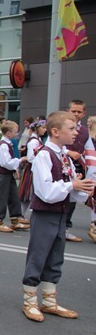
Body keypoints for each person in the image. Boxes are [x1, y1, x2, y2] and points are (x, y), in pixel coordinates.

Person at [21, 111, 95, 322]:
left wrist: (82, 187)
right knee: (38, 256)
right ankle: (29, 301)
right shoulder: (44, 155)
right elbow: (46, 192)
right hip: (45, 214)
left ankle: (49, 301)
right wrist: (72, 184)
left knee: (55, 257)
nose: (76, 133)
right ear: (55, 131)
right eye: (71, 129)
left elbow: (71, 191)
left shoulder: (63, 155)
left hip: (59, 213)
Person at [63, 100, 94, 242]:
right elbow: (51, 144)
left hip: (78, 168)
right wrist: (69, 152)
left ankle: (65, 227)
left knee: (73, 198)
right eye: (73, 111)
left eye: (79, 111)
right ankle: (58, 226)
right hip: (62, 165)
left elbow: (89, 151)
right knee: (61, 195)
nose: (76, 114)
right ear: (68, 110)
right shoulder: (61, 125)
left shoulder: (84, 131)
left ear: (84, 113)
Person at [0, 120, 30, 233]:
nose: (17, 134)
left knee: (13, 196)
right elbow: (5, 163)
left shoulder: (7, 144)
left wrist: (15, 168)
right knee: (2, 197)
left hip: (8, 174)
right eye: (15, 131)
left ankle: (15, 218)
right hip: (2, 175)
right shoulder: (3, 146)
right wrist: (20, 161)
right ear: (8, 133)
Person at [19, 118, 47, 217]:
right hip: (31, 170)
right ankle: (20, 215)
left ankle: (21, 215)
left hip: (34, 170)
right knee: (28, 193)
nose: (45, 130)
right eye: (43, 128)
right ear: (37, 129)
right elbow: (30, 158)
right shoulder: (33, 142)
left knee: (31, 194)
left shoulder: (38, 140)